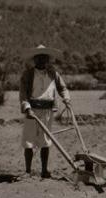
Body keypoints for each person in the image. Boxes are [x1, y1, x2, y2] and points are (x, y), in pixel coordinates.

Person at [19, 45, 71, 179]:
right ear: (34, 60)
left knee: (46, 141)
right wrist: (27, 108)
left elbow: (63, 88)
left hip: (48, 110)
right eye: (39, 58)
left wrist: (66, 99)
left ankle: (44, 171)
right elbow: (23, 93)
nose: (41, 60)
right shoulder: (28, 74)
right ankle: (28, 171)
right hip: (33, 110)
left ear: (48, 60)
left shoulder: (53, 73)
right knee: (29, 141)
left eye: (44, 58)